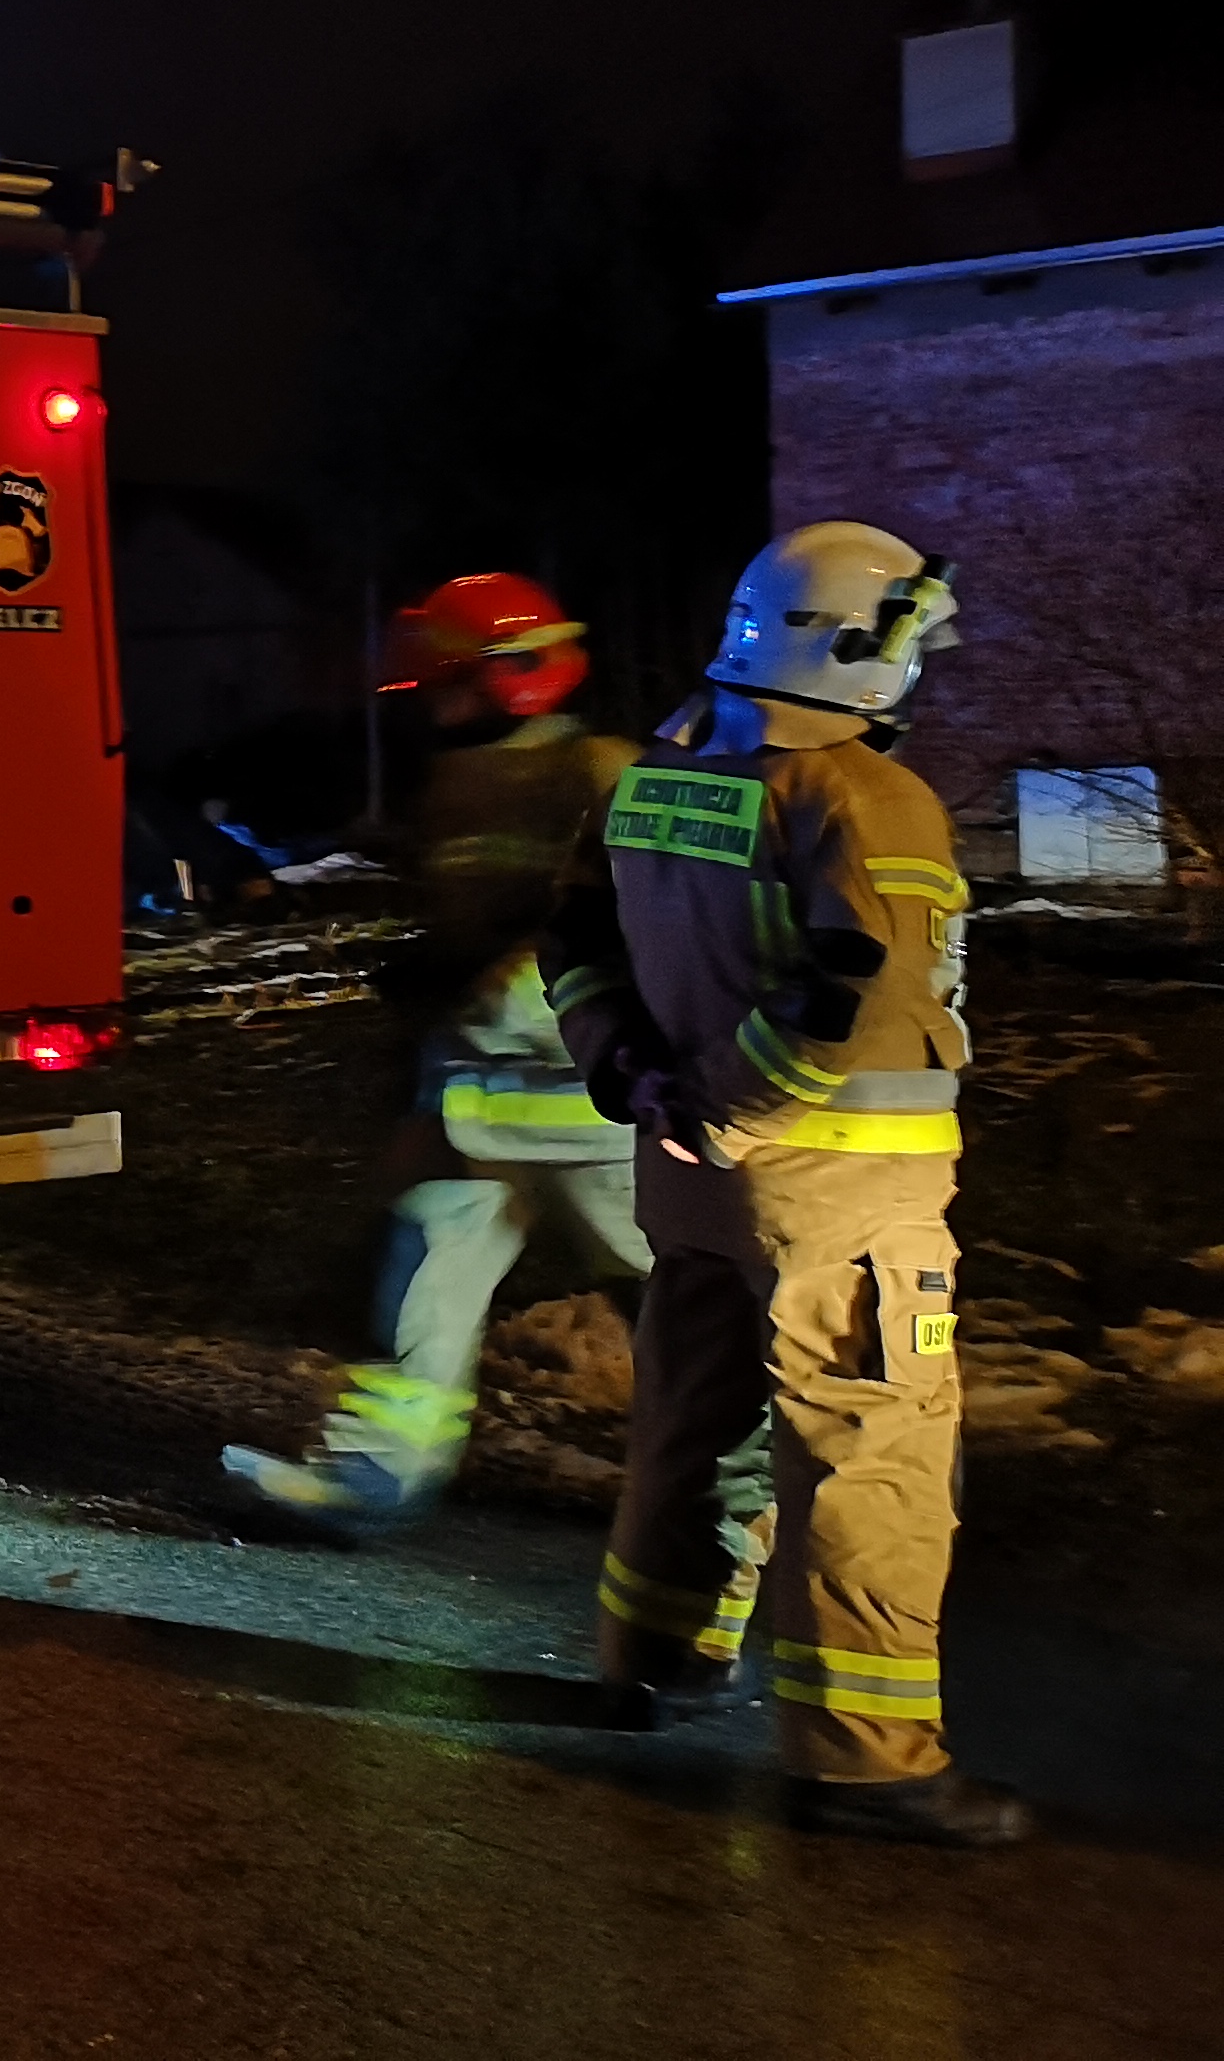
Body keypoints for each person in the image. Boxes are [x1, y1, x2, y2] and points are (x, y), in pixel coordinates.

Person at [545, 522, 1029, 1846]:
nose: (922, 664)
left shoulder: (654, 772)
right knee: (870, 1453)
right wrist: (728, 1108)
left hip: (692, 1185)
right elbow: (850, 1006)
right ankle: (868, 1762)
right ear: (849, 643)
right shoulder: (867, 798)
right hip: (835, 1194)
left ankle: (652, 1659)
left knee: (692, 1423)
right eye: (910, 637)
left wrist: (636, 1079)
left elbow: (577, 940)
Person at [223, 574, 661, 1528]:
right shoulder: (460, 781)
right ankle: (374, 1478)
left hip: (588, 1105)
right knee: (421, 1293)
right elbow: (449, 912)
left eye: (445, 683)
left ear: (505, 677)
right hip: (471, 1102)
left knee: (680, 1293)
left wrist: (513, 988)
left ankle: (778, 1478)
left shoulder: (604, 770)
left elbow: (630, 922)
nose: (431, 703)